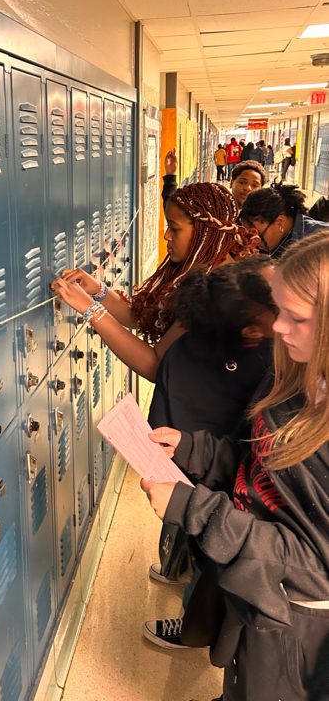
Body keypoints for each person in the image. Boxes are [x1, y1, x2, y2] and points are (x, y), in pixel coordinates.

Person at [141, 231, 329, 701]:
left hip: (295, 624)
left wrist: (192, 509)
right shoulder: (299, 376)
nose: (278, 328)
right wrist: (191, 448)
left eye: (296, 317)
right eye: (279, 311)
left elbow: (312, 566)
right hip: (257, 601)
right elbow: (259, 462)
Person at [143, 257, 277, 649]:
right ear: (254, 328)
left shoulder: (189, 347)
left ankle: (182, 580)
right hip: (222, 483)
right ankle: (192, 627)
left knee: (199, 542)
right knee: (210, 558)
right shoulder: (267, 360)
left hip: (193, 475)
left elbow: (161, 419)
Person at [51, 183, 260, 382]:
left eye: (174, 228)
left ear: (204, 233)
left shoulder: (216, 291)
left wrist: (91, 310)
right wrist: (98, 290)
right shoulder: (207, 267)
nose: (167, 235)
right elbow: (143, 317)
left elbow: (155, 366)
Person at [241, 183, 329, 259]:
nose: (254, 243)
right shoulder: (273, 243)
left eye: (259, 235)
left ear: (280, 221)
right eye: (249, 237)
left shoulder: (322, 241)